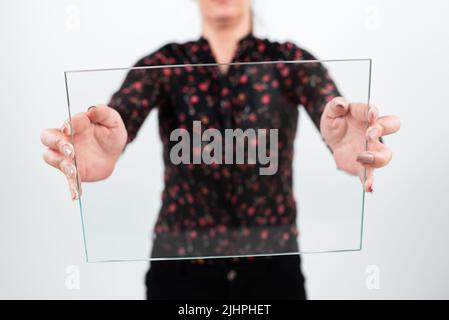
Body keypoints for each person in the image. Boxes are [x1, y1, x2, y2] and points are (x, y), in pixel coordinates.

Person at [40, 0, 400, 299]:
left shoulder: (289, 62)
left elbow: (329, 107)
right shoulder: (165, 64)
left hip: (272, 271)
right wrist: (104, 140)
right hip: (179, 272)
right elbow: (120, 115)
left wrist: (350, 139)